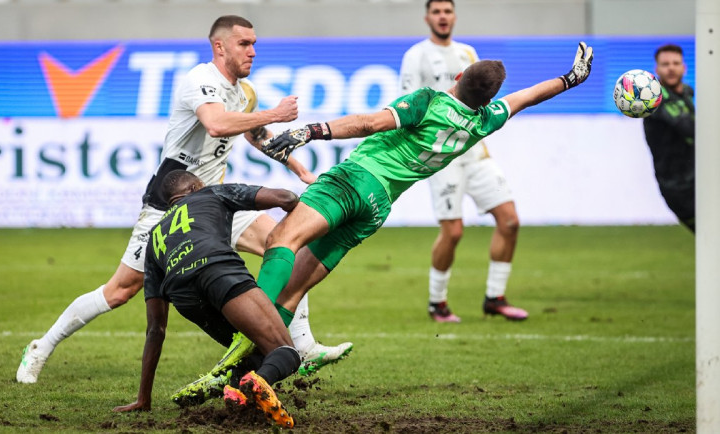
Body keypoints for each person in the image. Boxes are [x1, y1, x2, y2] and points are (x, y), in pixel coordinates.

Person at [16, 15, 352, 386]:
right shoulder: (200, 80)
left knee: (284, 243)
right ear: (219, 46)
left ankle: (302, 346)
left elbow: (256, 135)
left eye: (255, 44)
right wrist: (277, 113)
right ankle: (40, 347)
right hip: (170, 206)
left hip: (215, 203)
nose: (253, 51)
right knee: (120, 290)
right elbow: (218, 125)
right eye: (244, 44)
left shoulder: (245, 93)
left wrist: (299, 169)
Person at [215, 42, 594, 364]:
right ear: (489, 99)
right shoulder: (485, 121)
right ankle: (259, 366)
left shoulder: (428, 101)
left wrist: (311, 131)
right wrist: (570, 79)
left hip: (355, 180)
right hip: (378, 206)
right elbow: (526, 97)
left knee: (282, 241)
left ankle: (247, 331)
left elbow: (369, 124)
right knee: (295, 290)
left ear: (458, 78)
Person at [113, 170, 298, 428]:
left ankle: (239, 396)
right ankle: (256, 382)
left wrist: (143, 398)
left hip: (185, 297)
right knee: (285, 352)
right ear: (196, 186)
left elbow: (155, 328)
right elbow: (286, 197)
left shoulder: (154, 238)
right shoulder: (212, 192)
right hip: (218, 271)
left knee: (252, 351)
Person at [399, 0, 527, 322]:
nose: (443, 17)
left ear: (454, 16)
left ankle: (495, 298)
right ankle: (437, 304)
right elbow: (407, 103)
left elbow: (483, 101)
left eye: (448, 11)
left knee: (510, 221)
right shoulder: (416, 56)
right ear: (427, 17)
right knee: (453, 232)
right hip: (444, 155)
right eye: (437, 12)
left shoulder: (468, 52)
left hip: (476, 152)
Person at [643, 44, 695, 233]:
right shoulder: (654, 100)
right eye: (665, 64)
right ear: (657, 70)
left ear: (684, 67)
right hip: (679, 188)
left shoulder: (687, 93)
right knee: (712, 238)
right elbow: (690, 129)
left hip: (700, 177)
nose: (671, 68)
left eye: (676, 63)